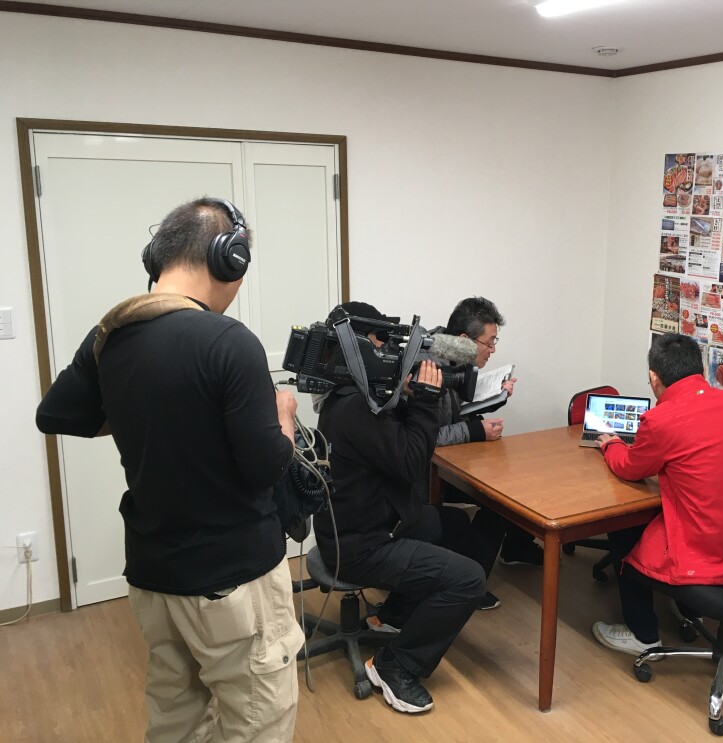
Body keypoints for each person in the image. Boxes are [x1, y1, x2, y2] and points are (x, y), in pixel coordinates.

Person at [36, 197, 304, 741]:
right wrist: (284, 415)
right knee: (259, 723)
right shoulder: (229, 341)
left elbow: (56, 414)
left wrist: (145, 411)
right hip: (233, 585)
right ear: (230, 260)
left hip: (154, 579)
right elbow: (265, 468)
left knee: (177, 722)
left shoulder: (111, 335)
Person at [313, 302, 486, 714]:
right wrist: (424, 402)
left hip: (369, 525)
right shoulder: (355, 409)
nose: (387, 353)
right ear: (356, 348)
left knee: (454, 524)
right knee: (469, 580)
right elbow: (411, 463)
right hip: (362, 546)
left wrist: (407, 398)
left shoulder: (351, 397)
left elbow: (391, 443)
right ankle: (397, 665)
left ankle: (395, 615)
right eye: (380, 343)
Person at [590, 334, 723, 656]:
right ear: (699, 367)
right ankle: (688, 609)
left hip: (704, 546)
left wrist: (611, 444)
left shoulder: (661, 420)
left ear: (653, 377)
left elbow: (630, 468)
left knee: (624, 531)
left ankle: (643, 635)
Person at [436, 297, 544, 578]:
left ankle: (517, 547)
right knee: (501, 500)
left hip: (452, 458)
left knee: (516, 478)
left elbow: (457, 408)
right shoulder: (433, 370)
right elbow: (426, 436)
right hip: (429, 472)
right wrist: (476, 430)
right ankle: (470, 581)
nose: (493, 349)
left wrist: (495, 396)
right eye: (490, 342)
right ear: (464, 340)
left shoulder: (450, 354)